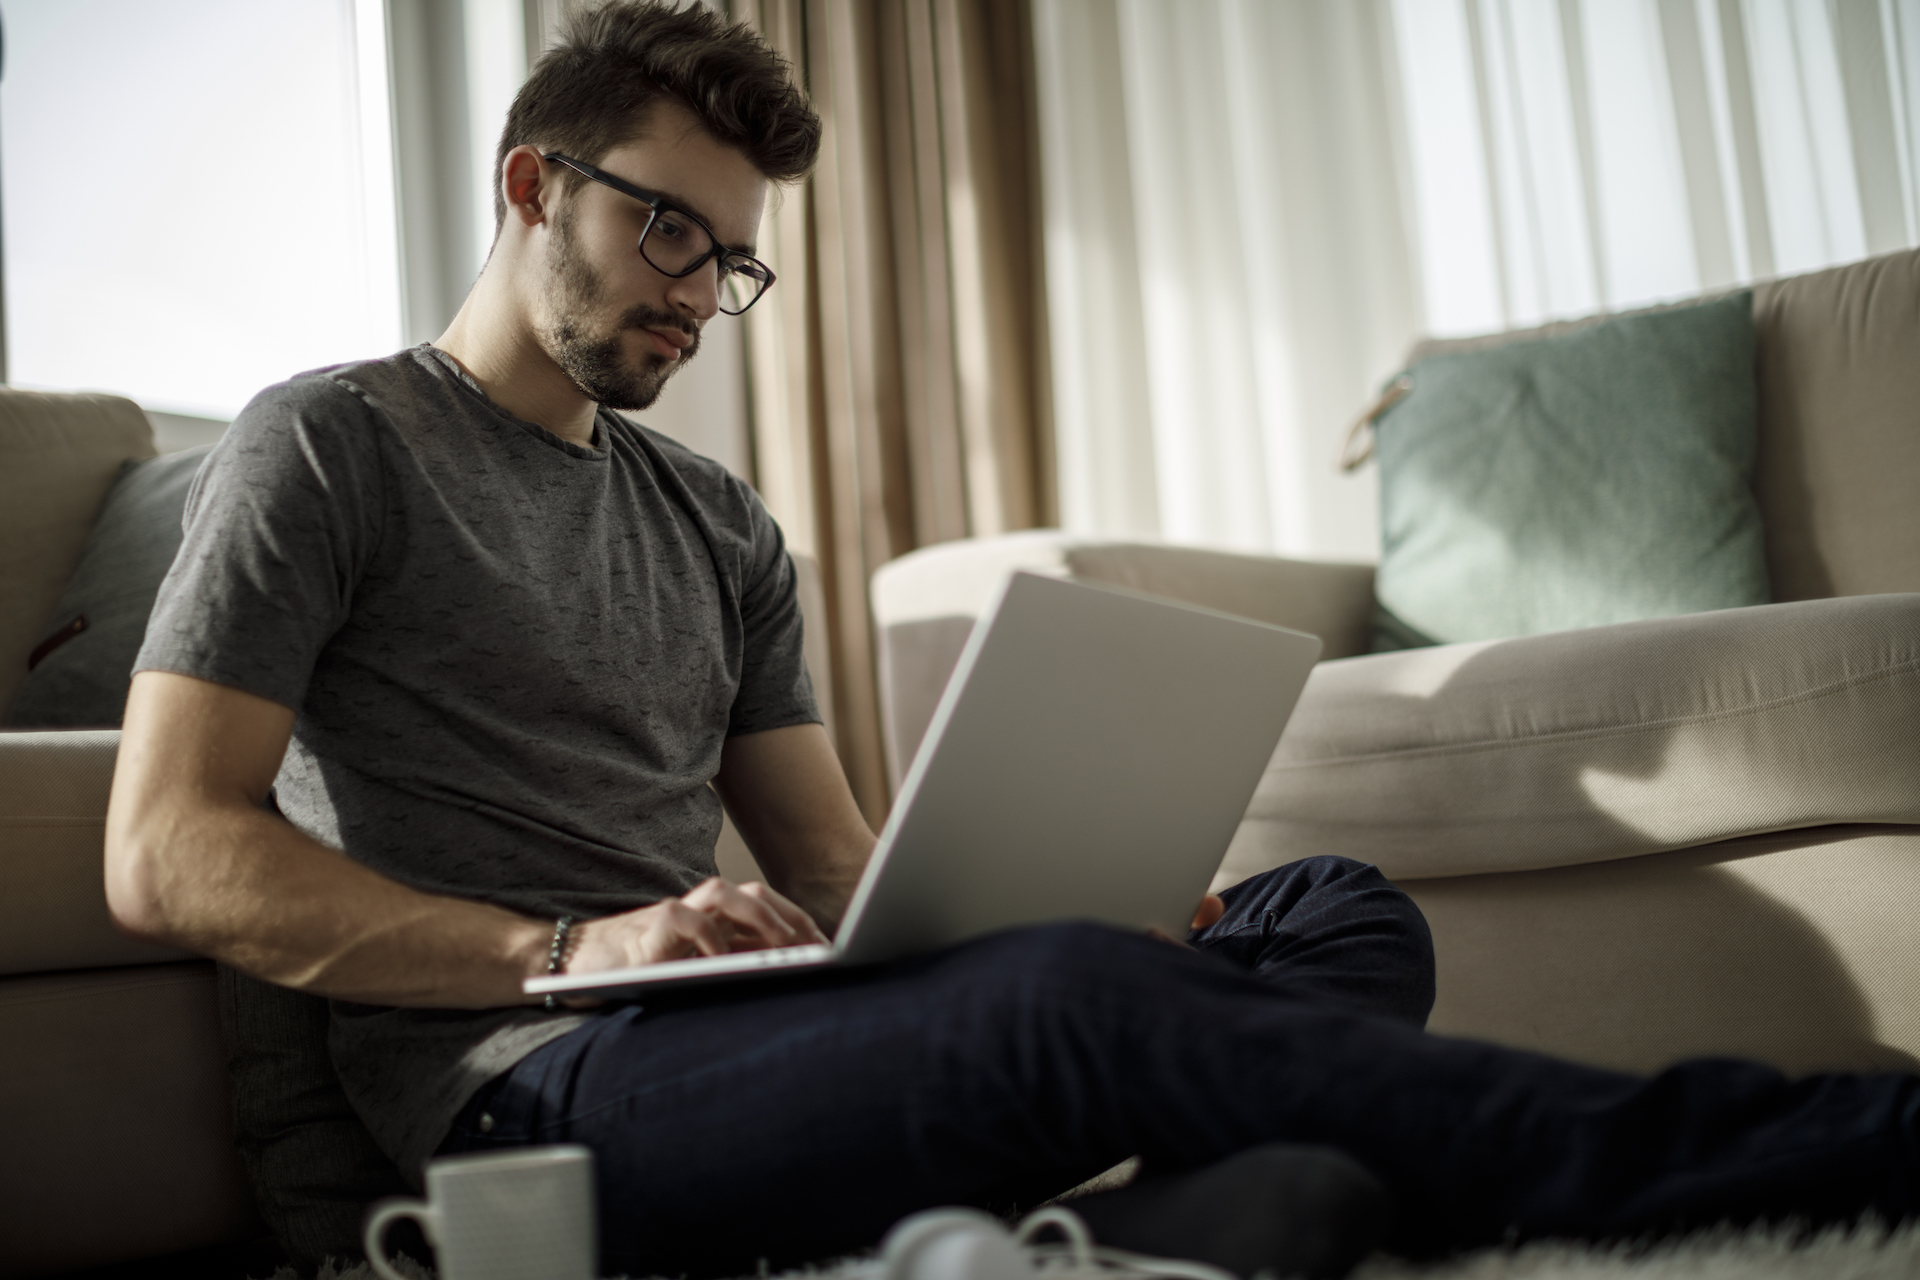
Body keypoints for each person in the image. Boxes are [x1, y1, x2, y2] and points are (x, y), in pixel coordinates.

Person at [105, 4, 1918, 1278]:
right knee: (1071, 1009)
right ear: (527, 187)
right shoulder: (331, 442)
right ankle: (1794, 1152)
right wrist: (571, 943)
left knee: (1326, 905)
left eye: (729, 261)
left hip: (736, 1026)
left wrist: (1042, 896)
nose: (697, 293)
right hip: (539, 1089)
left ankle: (1173, 1225)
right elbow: (166, 851)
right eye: (666, 228)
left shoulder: (717, 521)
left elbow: (828, 856)